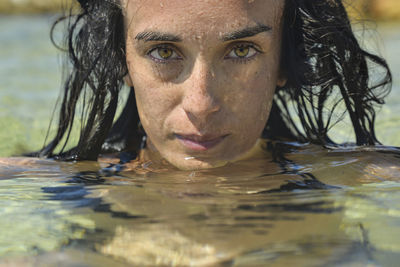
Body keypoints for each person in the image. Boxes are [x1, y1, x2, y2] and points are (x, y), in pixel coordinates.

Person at [37, 0, 391, 171]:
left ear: (286, 59)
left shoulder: (367, 176)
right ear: (121, 59)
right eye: (163, 51)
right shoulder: (28, 183)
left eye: (241, 50)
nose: (201, 103)